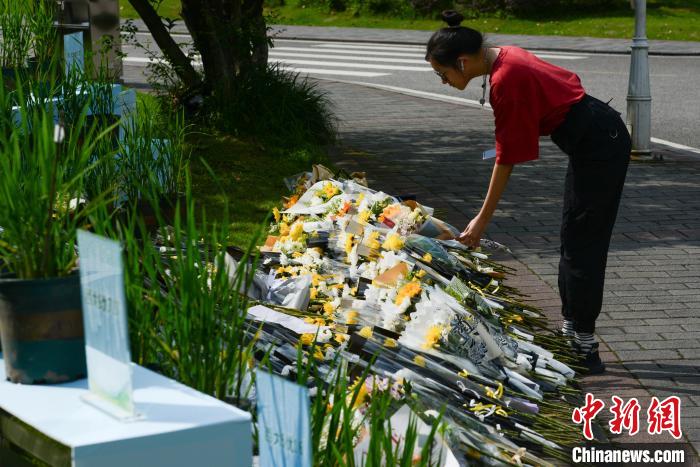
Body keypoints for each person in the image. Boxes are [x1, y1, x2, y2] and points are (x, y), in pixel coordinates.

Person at [425, 10, 631, 374]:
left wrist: (480, 221)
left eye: (442, 75)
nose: (443, 82)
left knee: (585, 241)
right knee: (573, 235)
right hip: (593, 136)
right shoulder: (505, 56)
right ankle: (572, 326)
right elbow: (514, 137)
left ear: (462, 61)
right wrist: (496, 149)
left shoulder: (506, 79)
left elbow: (507, 159)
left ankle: (584, 343)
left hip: (601, 144)